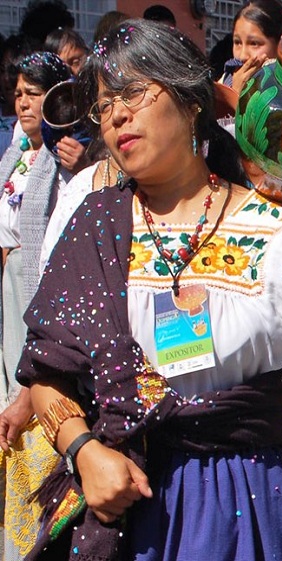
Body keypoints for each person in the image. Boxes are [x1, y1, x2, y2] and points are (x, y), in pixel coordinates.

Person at [15, 19, 282, 560]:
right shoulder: (97, 224)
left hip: (242, 499)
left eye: (132, 93)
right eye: (104, 107)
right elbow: (48, 373)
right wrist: (84, 451)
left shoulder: (266, 224)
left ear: (189, 100)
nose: (117, 117)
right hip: (128, 495)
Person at [0, 51, 85, 561]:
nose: (23, 102)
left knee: (27, 398)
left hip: (36, 294)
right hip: (8, 290)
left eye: (34, 93)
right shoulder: (14, 157)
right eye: (18, 93)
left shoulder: (65, 157)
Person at [221, 0, 282, 94]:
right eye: (237, 42)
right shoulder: (226, 80)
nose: (243, 56)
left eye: (254, 43)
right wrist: (234, 92)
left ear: (280, 44)